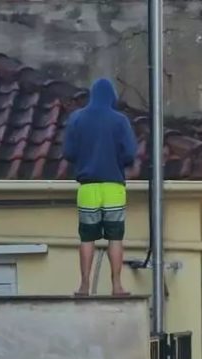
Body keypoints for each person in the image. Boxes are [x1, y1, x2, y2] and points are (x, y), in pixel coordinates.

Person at [61, 77, 138, 297]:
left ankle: (84, 285)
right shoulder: (120, 120)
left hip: (87, 187)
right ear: (111, 97)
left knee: (87, 238)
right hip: (113, 186)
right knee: (115, 238)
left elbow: (68, 152)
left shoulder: (77, 118)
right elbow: (130, 153)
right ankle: (116, 286)